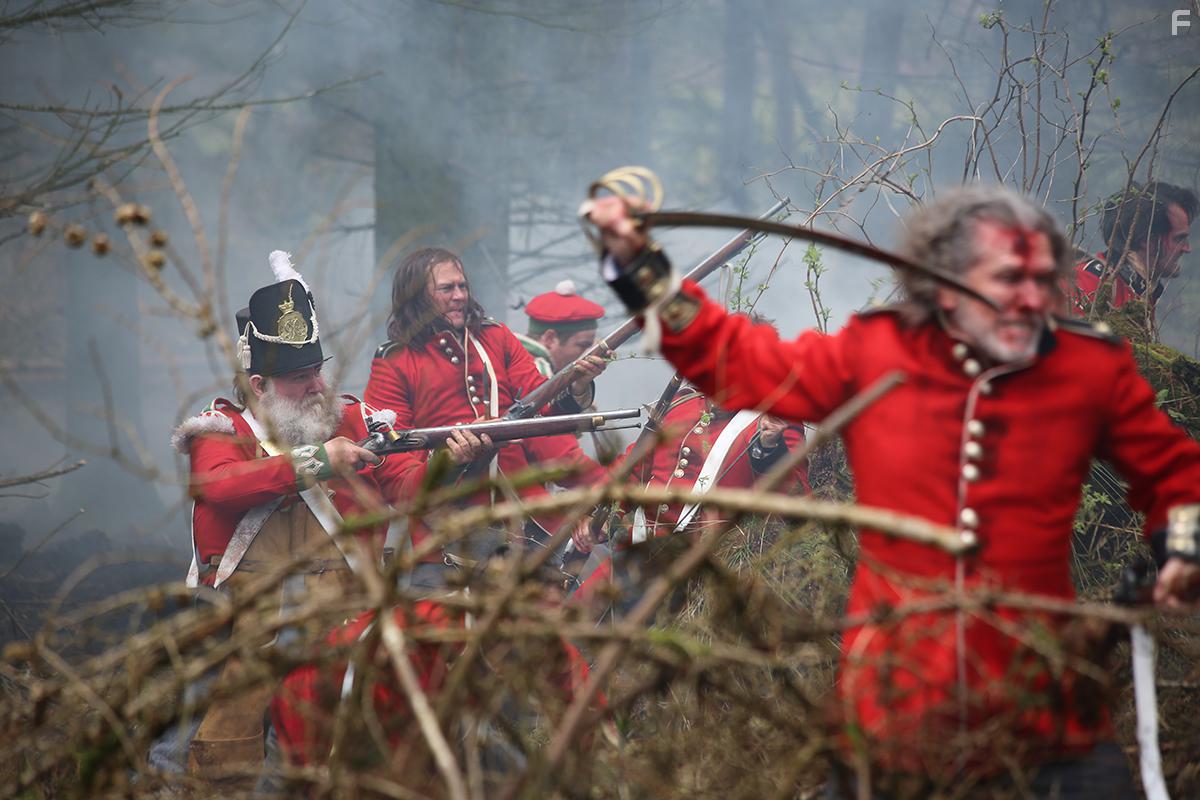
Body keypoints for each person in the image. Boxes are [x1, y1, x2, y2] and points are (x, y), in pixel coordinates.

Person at [585, 185, 1200, 793]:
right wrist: (639, 266)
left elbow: (1174, 469)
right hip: (891, 707)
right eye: (1005, 279)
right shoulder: (876, 353)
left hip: (1039, 701)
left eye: (1037, 278)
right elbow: (732, 356)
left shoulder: (1085, 366)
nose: (1027, 299)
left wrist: (1182, 549)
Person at [157, 251, 414, 783]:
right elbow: (220, 488)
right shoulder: (220, 432)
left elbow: (410, 486)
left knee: (324, 760)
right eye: (299, 377)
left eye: (316, 371)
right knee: (203, 757)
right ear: (260, 385)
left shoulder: (352, 420)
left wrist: (461, 458)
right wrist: (319, 461)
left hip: (335, 626)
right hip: (241, 629)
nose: (316, 386)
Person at [365, 248, 610, 590]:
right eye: (446, 289)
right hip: (442, 538)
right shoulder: (395, 361)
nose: (460, 296)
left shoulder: (495, 337)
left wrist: (578, 383)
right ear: (417, 297)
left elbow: (542, 407)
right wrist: (448, 460)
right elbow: (394, 472)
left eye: (462, 287)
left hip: (522, 521)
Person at [571, 381, 809, 615]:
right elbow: (634, 467)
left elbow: (795, 503)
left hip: (701, 575)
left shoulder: (775, 420)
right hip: (638, 553)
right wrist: (601, 515)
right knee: (572, 622)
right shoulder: (683, 401)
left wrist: (769, 449)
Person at [517, 279, 622, 463]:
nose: (588, 353)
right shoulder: (538, 368)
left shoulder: (523, 359)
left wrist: (580, 386)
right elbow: (554, 445)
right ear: (550, 338)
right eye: (583, 345)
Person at [1073, 181, 1196, 318]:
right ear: (1146, 239)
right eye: (1179, 239)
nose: (1187, 248)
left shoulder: (1141, 291)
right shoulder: (1089, 284)